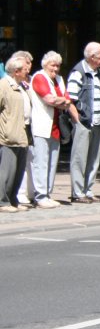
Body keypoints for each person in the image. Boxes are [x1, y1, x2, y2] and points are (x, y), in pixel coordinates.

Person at [28, 51, 71, 208]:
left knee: (52, 162)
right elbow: (49, 99)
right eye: (53, 65)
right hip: (41, 125)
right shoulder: (39, 77)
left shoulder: (59, 79)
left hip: (56, 127)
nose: (56, 69)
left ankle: (47, 193)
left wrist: (62, 101)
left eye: (58, 66)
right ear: (45, 65)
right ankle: (40, 195)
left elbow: (67, 99)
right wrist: (62, 101)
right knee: (41, 161)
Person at [67, 42, 100, 203]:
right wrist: (78, 121)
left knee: (93, 159)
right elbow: (70, 100)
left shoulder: (98, 73)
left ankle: (88, 191)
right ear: (91, 57)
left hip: (97, 122)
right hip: (84, 123)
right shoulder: (78, 73)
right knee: (79, 158)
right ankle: (78, 193)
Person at [0, 54, 32, 212]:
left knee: (18, 171)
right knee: (7, 171)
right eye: (24, 69)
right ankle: (2, 201)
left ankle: (13, 199)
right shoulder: (4, 85)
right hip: (8, 135)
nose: (27, 71)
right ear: (16, 71)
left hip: (22, 133)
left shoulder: (22, 85)